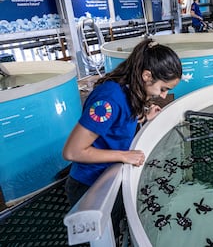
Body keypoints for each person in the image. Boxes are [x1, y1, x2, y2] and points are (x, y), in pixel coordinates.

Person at [63, 38, 182, 238]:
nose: (164, 95)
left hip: (110, 175)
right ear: (147, 75)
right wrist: (124, 155)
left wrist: (144, 117)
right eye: (163, 88)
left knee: (116, 227)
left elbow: (117, 125)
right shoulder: (107, 101)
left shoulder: (131, 88)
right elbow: (72, 151)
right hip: (90, 186)